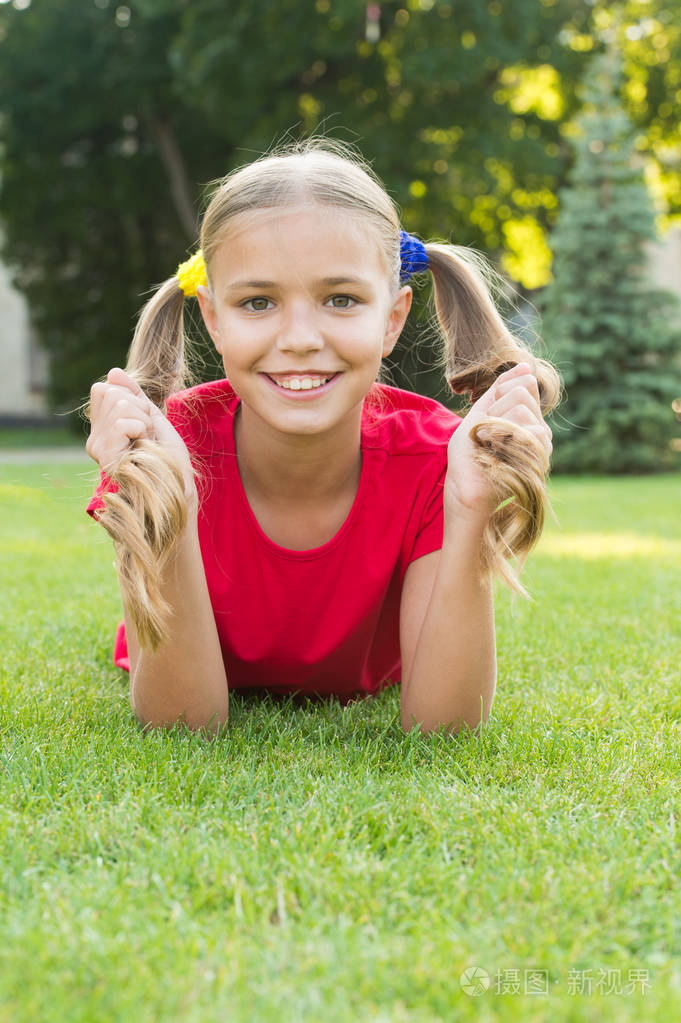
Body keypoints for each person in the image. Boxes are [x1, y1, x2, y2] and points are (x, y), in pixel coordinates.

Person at [85, 140, 558, 736]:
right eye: (258, 302)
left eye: (341, 299)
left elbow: (446, 732)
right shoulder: (163, 446)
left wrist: (469, 510)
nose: (301, 337)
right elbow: (184, 725)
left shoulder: (438, 460)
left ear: (392, 317)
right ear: (213, 318)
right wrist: (169, 498)